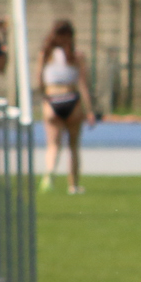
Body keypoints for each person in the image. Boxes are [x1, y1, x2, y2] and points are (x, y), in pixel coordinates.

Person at [39, 21, 90, 195]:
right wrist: (89, 110)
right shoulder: (77, 56)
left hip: (52, 97)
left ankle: (49, 174)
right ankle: (73, 185)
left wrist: (44, 98)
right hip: (71, 98)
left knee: (53, 144)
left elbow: (39, 79)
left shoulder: (46, 54)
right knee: (73, 146)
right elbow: (83, 84)